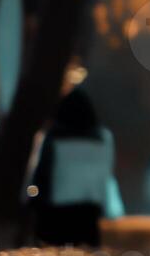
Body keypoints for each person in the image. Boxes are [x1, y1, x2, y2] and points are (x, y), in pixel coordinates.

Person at [28, 87, 123, 247]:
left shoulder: (53, 137)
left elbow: (42, 174)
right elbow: (105, 175)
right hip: (89, 211)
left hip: (57, 212)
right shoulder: (103, 138)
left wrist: (33, 201)